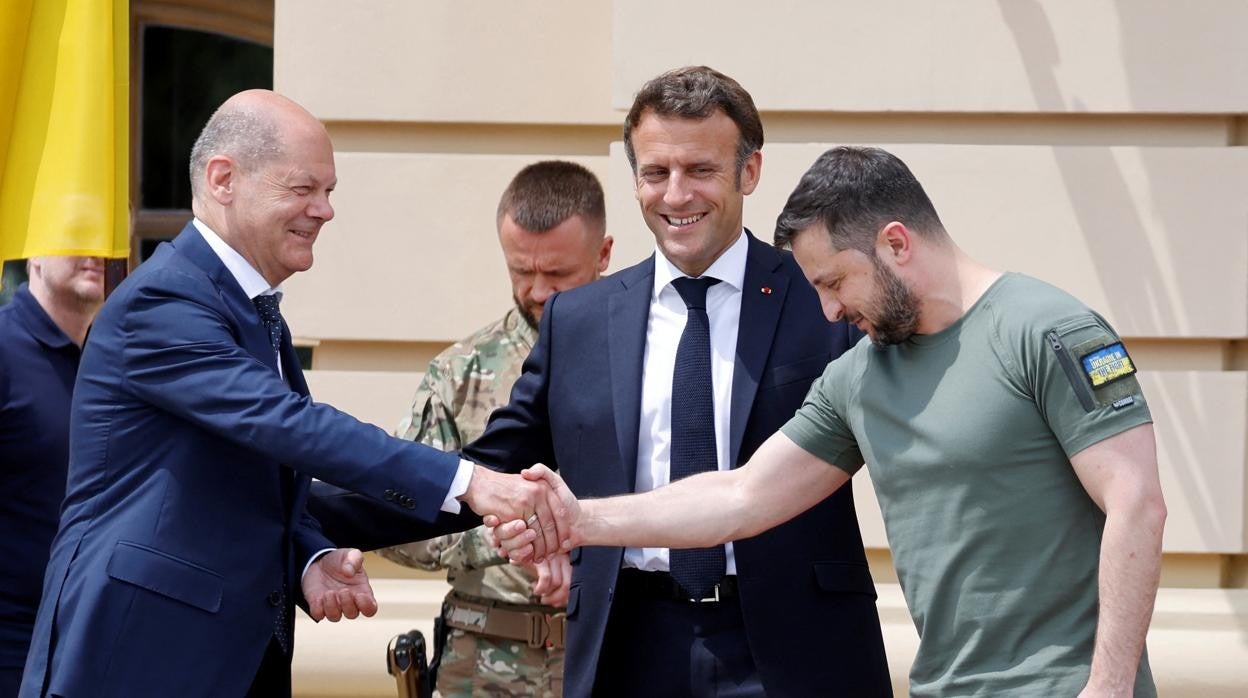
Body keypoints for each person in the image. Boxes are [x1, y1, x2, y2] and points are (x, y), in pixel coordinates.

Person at [498, 146, 1167, 697]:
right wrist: (582, 519)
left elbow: (1137, 504)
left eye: (834, 283)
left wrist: (1107, 688)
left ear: (895, 244)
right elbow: (740, 496)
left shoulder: (1048, 329)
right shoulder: (861, 375)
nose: (828, 313)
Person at [17, 90, 566, 698]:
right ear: (224, 179)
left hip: (225, 655)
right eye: (304, 188)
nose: (325, 211)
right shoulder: (164, 301)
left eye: (329, 192)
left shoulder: (245, 310)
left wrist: (305, 555)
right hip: (142, 656)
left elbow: (240, 476)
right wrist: (473, 481)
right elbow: (288, 425)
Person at [392, 66, 891, 697]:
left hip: (795, 652)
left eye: (701, 170)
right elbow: (484, 469)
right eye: (656, 173)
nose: (676, 195)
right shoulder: (579, 318)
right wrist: (311, 519)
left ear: (750, 172)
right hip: (625, 647)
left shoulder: (821, 298)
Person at [379, 160, 612, 697]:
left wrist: (583, 548)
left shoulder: (651, 364)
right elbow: (397, 513)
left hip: (610, 651)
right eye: (520, 271)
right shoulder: (460, 374)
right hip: (482, 664)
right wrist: (504, 540)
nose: (536, 291)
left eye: (557, 275)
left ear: (603, 255)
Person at [0, 256, 105, 696]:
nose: (94, 250)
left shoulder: (109, 359)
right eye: (76, 232)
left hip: (87, 646)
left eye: (103, 234)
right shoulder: (4, 347)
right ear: (34, 256)